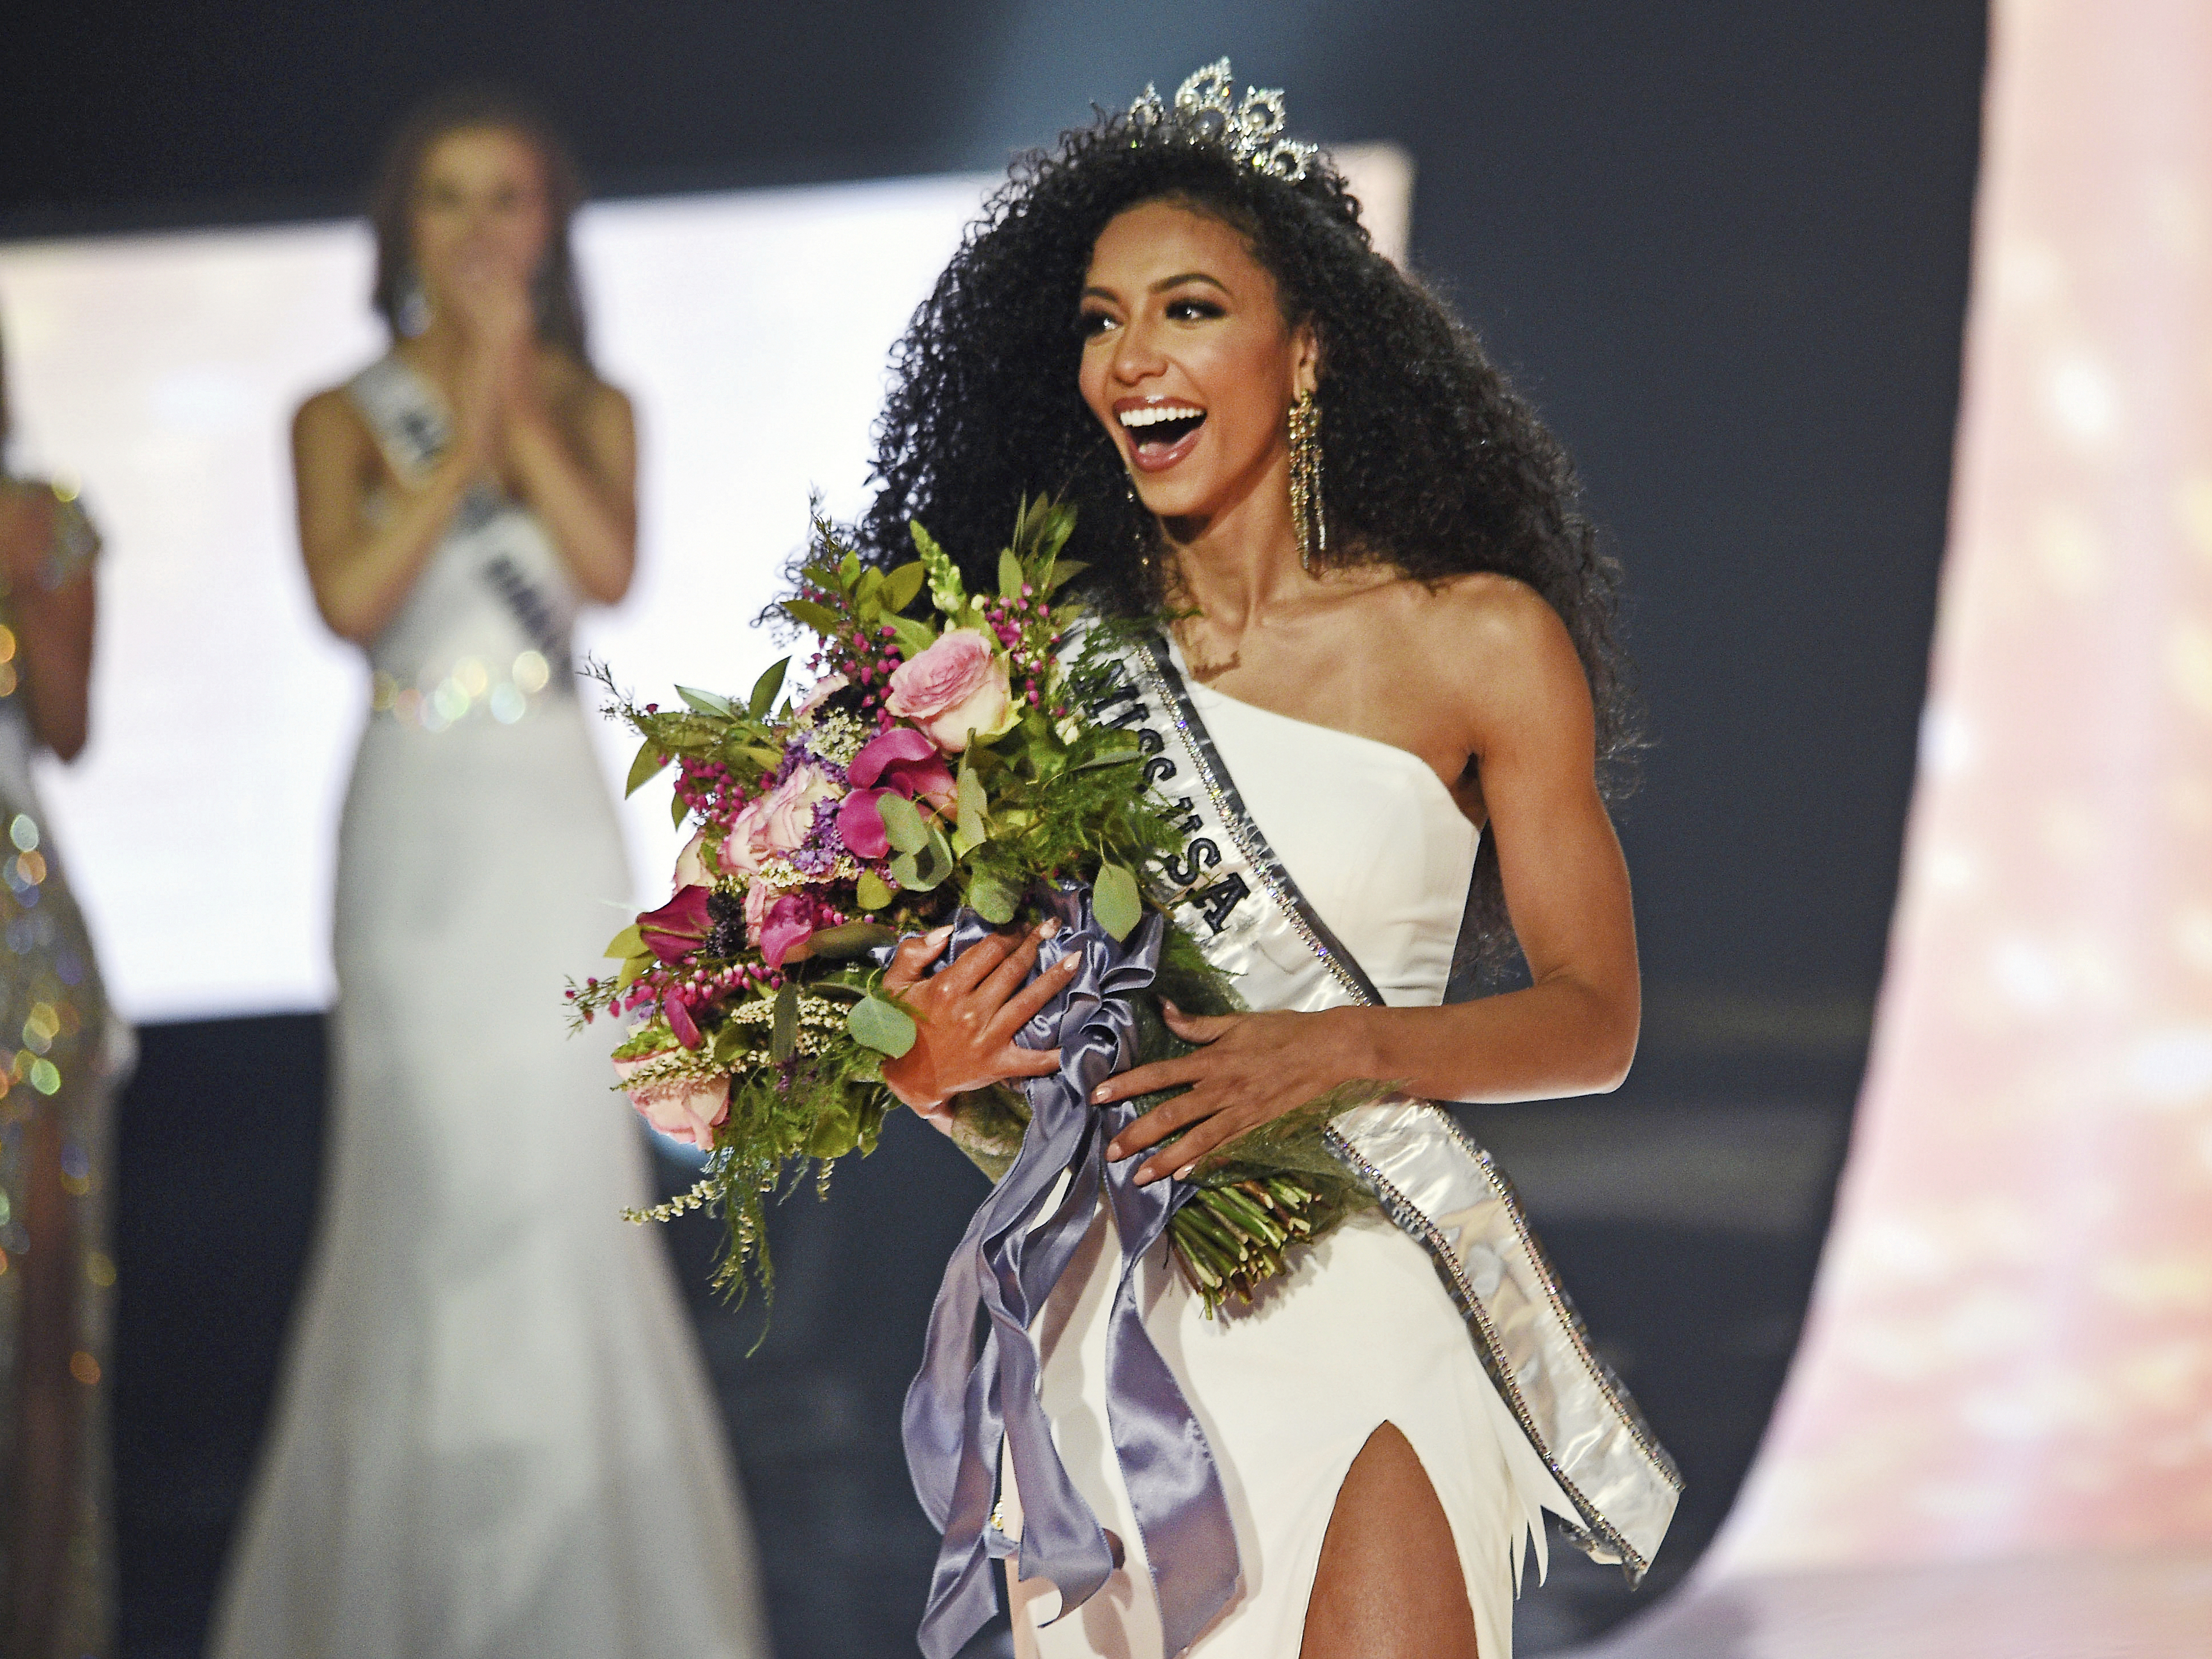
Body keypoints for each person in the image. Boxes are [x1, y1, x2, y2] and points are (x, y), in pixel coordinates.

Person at [857, 64, 1672, 1659]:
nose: (1132, 358)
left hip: (1360, 1279)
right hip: (1110, 1328)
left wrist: (1340, 1049)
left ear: (1302, 353)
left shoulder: (1475, 641)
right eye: (1098, 321)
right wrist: (923, 1063)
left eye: (1184, 308)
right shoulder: (1023, 676)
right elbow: (1018, 1026)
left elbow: (1594, 1019)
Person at [209, 91, 769, 1658]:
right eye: (448, 199)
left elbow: (602, 569)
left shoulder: (594, 405)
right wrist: (453, 422)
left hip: (548, 812)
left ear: (547, 227)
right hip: (414, 825)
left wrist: (512, 388)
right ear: (404, 229)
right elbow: (353, 595)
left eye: (506, 198)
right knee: (427, 1183)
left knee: (559, 1175)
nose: (477, 230)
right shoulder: (340, 415)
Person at [0, 321, 128, 1659]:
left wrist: (25, 572)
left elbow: (74, 729)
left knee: (45, 1337)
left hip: (21, 941)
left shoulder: (42, 518)